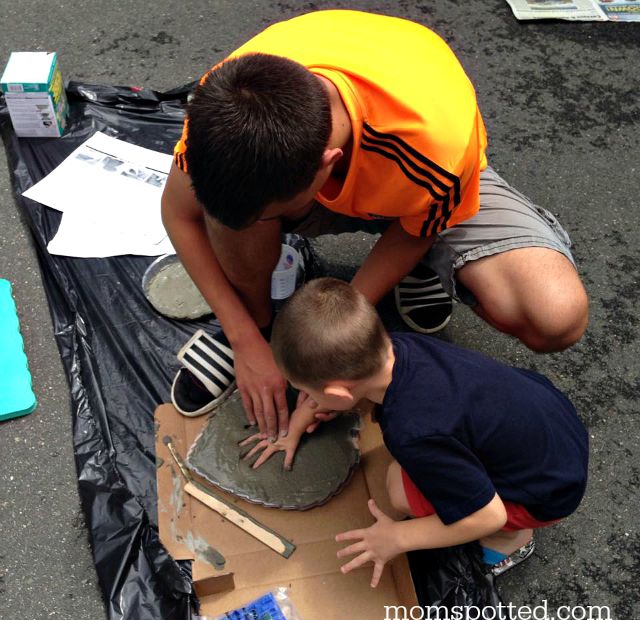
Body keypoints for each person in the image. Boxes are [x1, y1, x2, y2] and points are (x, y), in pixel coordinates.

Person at [161, 10, 588, 438]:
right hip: (349, 174)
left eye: (272, 214)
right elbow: (178, 213)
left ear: (328, 165)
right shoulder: (226, 107)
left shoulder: (435, 143)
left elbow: (414, 230)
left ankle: (426, 268)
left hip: (424, 183)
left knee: (555, 318)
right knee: (235, 215)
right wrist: (245, 340)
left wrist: (338, 333)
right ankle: (257, 320)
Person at [243, 277, 588, 583]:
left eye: (306, 392)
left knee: (398, 487)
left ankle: (512, 541)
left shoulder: (413, 432)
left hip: (548, 493)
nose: (306, 400)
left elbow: (487, 514)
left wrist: (398, 538)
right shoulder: (398, 346)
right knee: (414, 464)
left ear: (338, 393)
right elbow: (342, 392)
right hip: (552, 422)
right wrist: (300, 421)